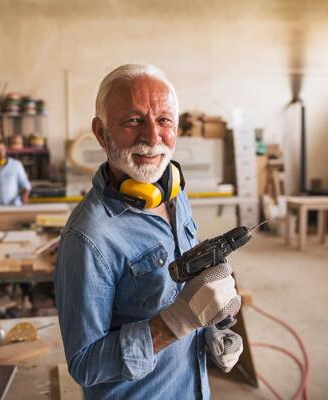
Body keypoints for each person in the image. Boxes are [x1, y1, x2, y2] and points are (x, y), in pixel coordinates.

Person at [54, 64, 243, 399]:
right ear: (101, 133)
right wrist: (176, 323)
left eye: (164, 120)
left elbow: (182, 291)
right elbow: (84, 364)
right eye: (133, 120)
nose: (152, 137)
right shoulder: (88, 237)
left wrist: (209, 331)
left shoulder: (174, 192)